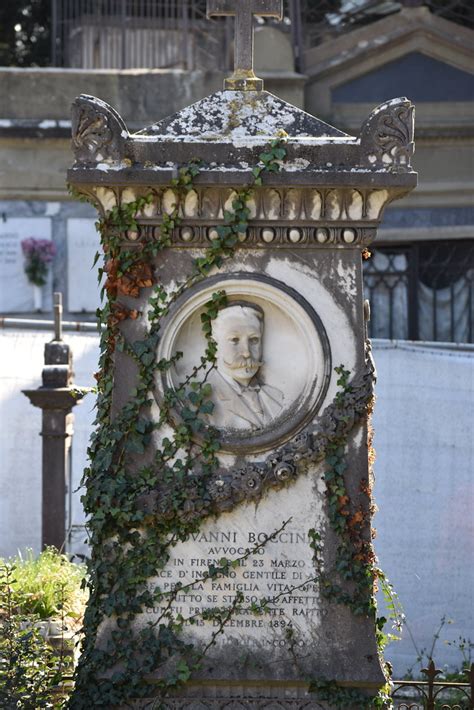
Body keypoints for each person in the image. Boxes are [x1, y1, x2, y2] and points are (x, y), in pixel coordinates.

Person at [206, 301, 284, 431]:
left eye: (254, 340)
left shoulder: (277, 396)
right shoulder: (201, 402)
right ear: (215, 347)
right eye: (234, 340)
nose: (247, 353)